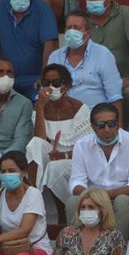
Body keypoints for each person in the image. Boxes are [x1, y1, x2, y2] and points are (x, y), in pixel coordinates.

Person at [69, 102, 129, 238]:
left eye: (111, 124)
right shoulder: (81, 145)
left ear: (118, 123)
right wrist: (95, 198)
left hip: (124, 200)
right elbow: (76, 182)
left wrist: (103, 196)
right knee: (73, 202)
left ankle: (118, 251)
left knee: (122, 201)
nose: (107, 129)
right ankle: (78, 249)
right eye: (101, 125)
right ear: (92, 127)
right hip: (92, 198)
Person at [24, 63, 92, 199]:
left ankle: (67, 208)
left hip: (72, 158)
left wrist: (63, 155)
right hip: (50, 155)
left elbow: (87, 149)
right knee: (34, 145)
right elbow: (40, 140)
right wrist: (41, 107)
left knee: (54, 168)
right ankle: (34, 196)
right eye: (46, 83)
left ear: (65, 86)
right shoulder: (39, 107)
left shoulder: (80, 109)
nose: (50, 87)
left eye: (55, 83)